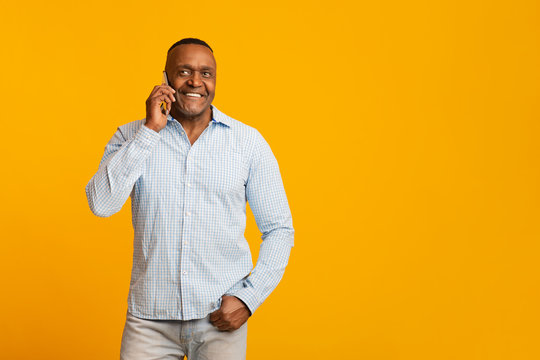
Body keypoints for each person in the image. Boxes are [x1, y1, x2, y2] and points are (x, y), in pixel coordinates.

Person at [85, 38, 294, 360]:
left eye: (206, 73)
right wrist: (150, 131)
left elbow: (279, 229)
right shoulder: (130, 136)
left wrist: (249, 298)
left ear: (215, 80)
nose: (196, 82)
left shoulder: (248, 143)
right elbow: (101, 204)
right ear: (166, 79)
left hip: (220, 320)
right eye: (184, 72)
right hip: (148, 321)